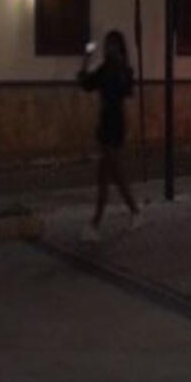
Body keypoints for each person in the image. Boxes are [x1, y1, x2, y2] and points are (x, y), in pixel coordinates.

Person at [78, 29, 141, 238]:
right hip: (106, 123)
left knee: (111, 173)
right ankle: (132, 212)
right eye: (108, 44)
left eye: (112, 44)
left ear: (119, 47)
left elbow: (127, 94)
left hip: (115, 124)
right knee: (108, 174)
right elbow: (86, 83)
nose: (109, 48)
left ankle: (96, 224)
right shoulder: (106, 69)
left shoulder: (123, 70)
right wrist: (86, 59)